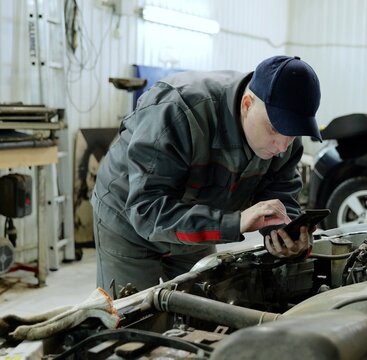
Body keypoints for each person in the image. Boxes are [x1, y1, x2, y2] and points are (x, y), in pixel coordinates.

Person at [91, 55, 322, 295]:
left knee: (203, 309)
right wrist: (235, 223)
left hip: (197, 215)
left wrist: (286, 235)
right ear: (247, 104)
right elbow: (147, 211)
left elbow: (280, 193)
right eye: (275, 128)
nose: (283, 146)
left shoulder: (284, 135)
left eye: (293, 133)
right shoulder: (178, 110)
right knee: (136, 317)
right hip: (128, 222)